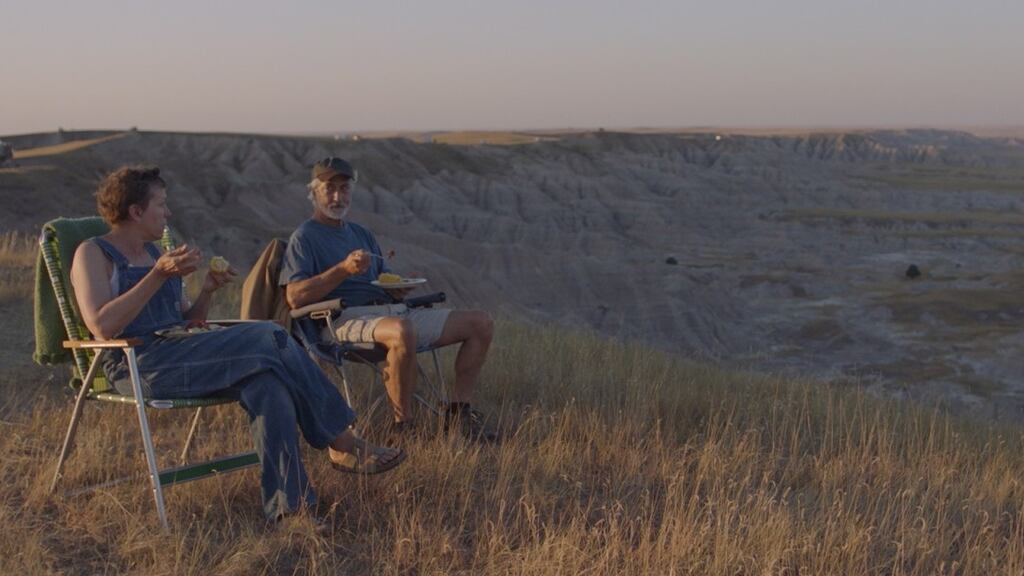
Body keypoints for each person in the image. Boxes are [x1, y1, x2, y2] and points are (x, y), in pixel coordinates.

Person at [69, 165, 405, 522]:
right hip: (140, 364)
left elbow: (187, 321)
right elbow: (102, 326)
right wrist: (158, 276)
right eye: (161, 205)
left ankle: (291, 510)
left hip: (183, 352)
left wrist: (207, 290)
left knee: (269, 385)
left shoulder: (154, 255)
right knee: (272, 333)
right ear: (136, 212)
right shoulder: (94, 254)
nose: (168, 213)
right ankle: (343, 442)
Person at [280, 157, 496, 441]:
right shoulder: (304, 237)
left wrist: (398, 288)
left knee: (480, 323)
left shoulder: (361, 234)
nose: (337, 196)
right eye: (329, 189)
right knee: (402, 330)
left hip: (390, 310)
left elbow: (383, 279)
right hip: (340, 319)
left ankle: (458, 415)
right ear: (314, 192)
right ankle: (403, 428)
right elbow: (295, 297)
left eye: (344, 189)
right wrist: (343, 270)